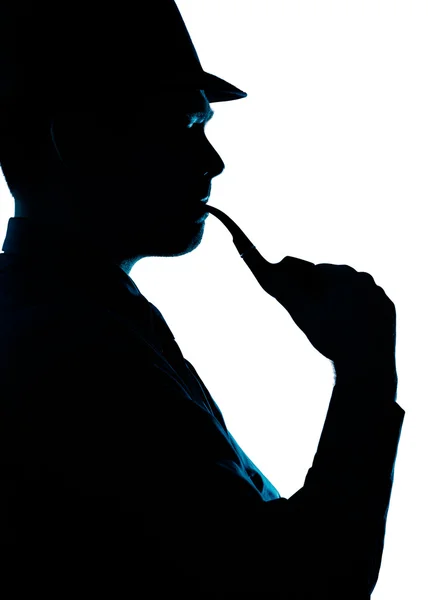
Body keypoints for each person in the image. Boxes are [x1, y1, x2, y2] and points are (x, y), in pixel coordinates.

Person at [0, 1, 405, 597]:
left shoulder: (80, 321)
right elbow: (302, 584)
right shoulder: (70, 348)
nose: (213, 161)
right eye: (187, 124)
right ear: (82, 141)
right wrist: (366, 374)